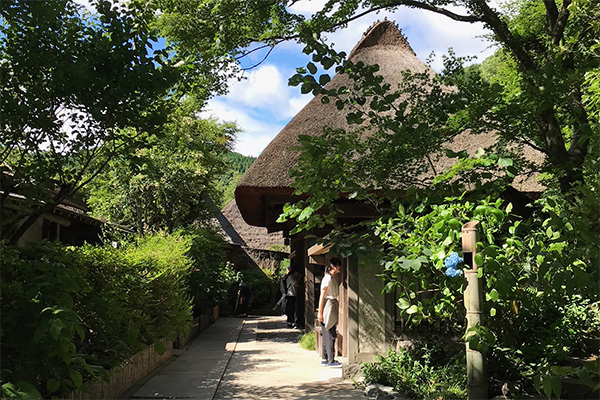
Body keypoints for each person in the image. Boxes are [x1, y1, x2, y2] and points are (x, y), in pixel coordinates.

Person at [317, 257, 342, 368]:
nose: (339, 269)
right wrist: (320, 312)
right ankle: (330, 360)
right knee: (329, 330)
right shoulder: (327, 279)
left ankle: (325, 358)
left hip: (331, 304)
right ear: (333, 267)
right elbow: (322, 296)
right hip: (329, 304)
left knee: (326, 329)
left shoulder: (331, 278)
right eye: (338, 266)